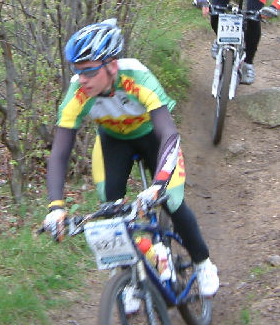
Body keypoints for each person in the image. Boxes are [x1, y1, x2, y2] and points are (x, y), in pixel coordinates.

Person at [43, 19, 220, 300]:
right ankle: (128, 275)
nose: (82, 78)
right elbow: (60, 151)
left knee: (172, 202)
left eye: (89, 71)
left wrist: (160, 183)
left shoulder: (137, 77)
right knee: (110, 211)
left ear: (111, 66)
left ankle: (202, 263)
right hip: (113, 142)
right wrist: (55, 206)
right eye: (77, 71)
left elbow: (168, 132)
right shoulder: (78, 91)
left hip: (153, 138)